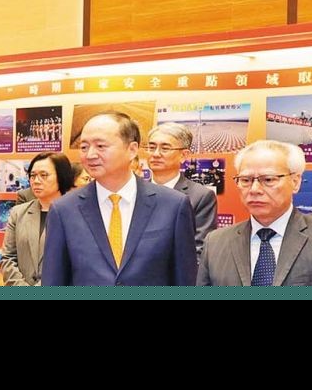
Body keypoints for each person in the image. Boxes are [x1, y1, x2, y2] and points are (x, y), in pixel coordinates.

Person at [41, 111, 197, 286]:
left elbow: (185, 281)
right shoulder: (64, 210)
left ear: (132, 150)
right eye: (84, 147)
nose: (90, 154)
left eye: (100, 146)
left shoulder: (173, 206)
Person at [198, 141, 312, 286]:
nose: (254, 189)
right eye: (245, 180)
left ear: (295, 182)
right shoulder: (216, 242)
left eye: (268, 179)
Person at [145, 122, 219, 258]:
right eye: (151, 147)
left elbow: (199, 249)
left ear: (184, 155)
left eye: (165, 148)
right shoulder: (134, 191)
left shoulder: (200, 196)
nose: (156, 154)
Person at [2, 152, 75, 286]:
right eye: (33, 175)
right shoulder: (18, 213)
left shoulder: (75, 214)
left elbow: (74, 262)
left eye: (43, 175)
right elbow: (8, 257)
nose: (36, 181)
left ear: (61, 176)